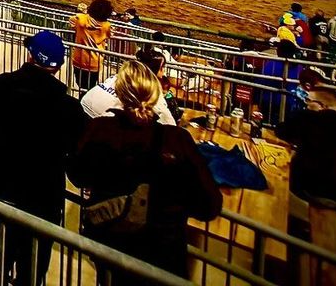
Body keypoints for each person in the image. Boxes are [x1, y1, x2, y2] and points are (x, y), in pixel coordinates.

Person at [68, 60, 222, 280]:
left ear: (120, 93)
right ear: (155, 94)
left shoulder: (100, 129)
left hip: (112, 247)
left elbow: (76, 174)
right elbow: (209, 205)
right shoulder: (177, 140)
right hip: (163, 252)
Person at [0, 30, 87, 286]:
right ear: (58, 66)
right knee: (34, 261)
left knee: (1, 248)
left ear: (31, 56)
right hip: (44, 195)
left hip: (4, 184)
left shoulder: (4, 85)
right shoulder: (69, 107)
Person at [276, 88, 336, 211]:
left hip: (319, 193)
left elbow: (282, 131)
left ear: (321, 106)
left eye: (309, 100)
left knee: (277, 177)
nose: (306, 104)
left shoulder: (310, 118)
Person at [81, 47, 176, 125]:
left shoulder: (119, 77)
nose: (163, 71)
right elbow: (169, 123)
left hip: (86, 109)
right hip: (96, 121)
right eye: (162, 67)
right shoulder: (151, 91)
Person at [70, 0, 114, 93]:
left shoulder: (81, 19)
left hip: (79, 59)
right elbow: (110, 35)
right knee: (90, 87)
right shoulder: (107, 26)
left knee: (80, 84)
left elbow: (72, 20)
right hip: (95, 62)